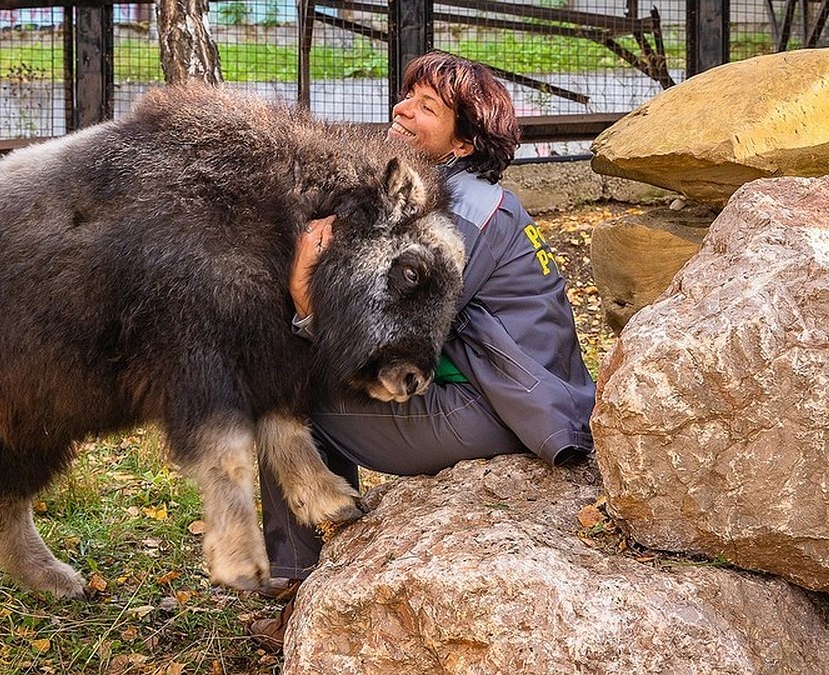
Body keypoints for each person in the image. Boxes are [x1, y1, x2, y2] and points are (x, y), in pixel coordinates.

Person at [250, 50, 596, 649]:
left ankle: (295, 588)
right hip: (506, 397)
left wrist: (304, 293)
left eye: (425, 107)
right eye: (405, 95)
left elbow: (386, 339)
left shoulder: (460, 214)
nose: (401, 110)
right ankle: (321, 560)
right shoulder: (468, 199)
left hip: (495, 412)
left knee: (279, 407)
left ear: (462, 145)